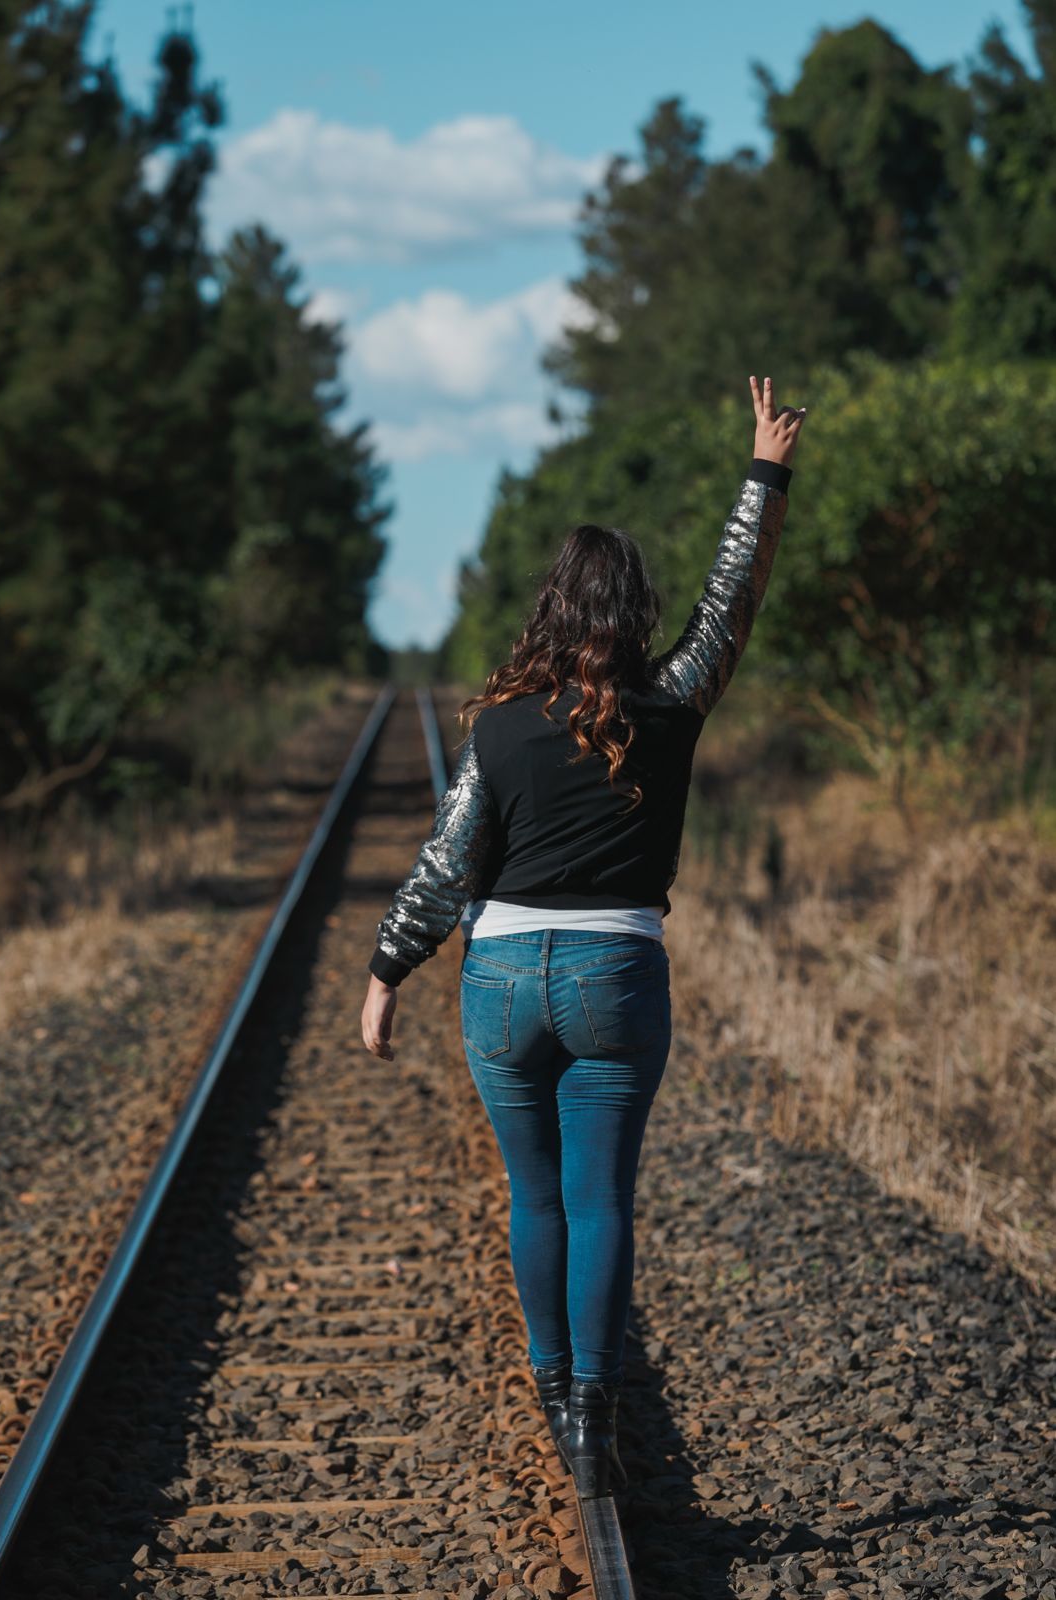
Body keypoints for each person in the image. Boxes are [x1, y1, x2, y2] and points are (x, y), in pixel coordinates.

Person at [362, 374, 806, 1498]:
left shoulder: (501, 727)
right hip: (616, 973)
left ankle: (553, 1387)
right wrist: (764, 470)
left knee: (536, 1196)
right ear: (633, 614)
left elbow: (444, 862)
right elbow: (729, 602)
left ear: (552, 610)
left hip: (503, 978)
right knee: (603, 1195)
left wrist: (383, 971)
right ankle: (592, 1417)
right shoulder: (671, 705)